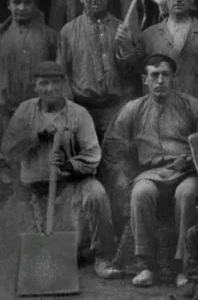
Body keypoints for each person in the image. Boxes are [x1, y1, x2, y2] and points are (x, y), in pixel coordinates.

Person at [0, 61, 120, 279]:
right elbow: (8, 151)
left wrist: (68, 164)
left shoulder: (79, 113)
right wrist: (35, 137)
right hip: (38, 190)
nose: (50, 88)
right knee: (43, 248)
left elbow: (93, 154)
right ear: (35, 85)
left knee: (97, 193)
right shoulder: (25, 111)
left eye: (55, 83)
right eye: (44, 83)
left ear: (63, 84)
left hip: (74, 185)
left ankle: (103, 256)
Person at [101, 54, 198, 287]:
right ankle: (146, 265)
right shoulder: (133, 109)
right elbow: (113, 143)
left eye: (165, 75)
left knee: (187, 195)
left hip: (187, 172)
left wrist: (191, 162)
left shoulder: (193, 107)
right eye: (154, 75)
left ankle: (184, 267)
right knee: (141, 193)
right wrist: (120, 173)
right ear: (145, 79)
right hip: (151, 172)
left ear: (174, 78)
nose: (160, 80)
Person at [58, 0, 135, 140]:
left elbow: (132, 73)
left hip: (115, 109)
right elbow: (62, 73)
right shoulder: (68, 31)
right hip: (82, 109)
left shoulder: (122, 28)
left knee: (114, 153)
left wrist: (127, 48)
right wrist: (69, 109)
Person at [0, 0, 57, 133]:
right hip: (5, 113)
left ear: (35, 6)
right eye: (17, 2)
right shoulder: (2, 35)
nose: (22, 7)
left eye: (27, 2)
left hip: (41, 110)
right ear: (9, 5)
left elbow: (59, 73)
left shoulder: (50, 37)